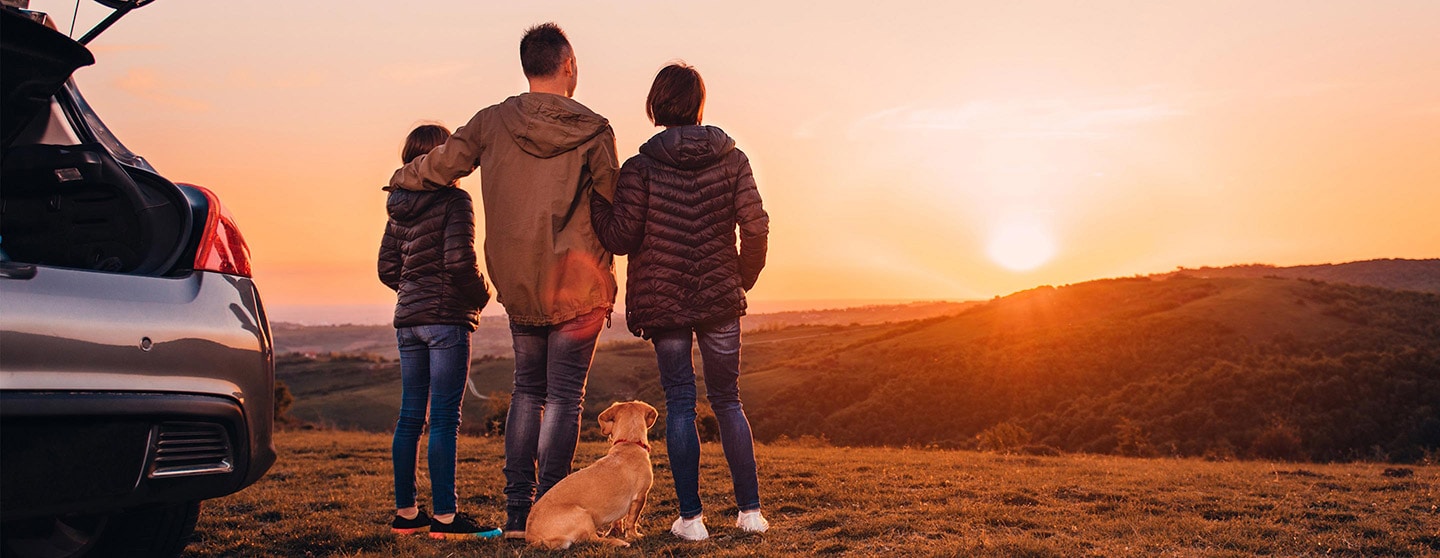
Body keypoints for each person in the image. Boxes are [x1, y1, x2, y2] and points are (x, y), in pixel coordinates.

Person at [387, 23, 619, 539]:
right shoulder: (594, 130)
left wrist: (400, 179)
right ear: (569, 65)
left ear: (526, 66)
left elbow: (440, 165)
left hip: (518, 284)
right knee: (564, 399)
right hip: (579, 288)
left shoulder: (490, 122)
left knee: (527, 392)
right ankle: (550, 509)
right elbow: (613, 211)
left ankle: (517, 516)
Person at [590, 62, 771, 541]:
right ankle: (750, 513)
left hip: (664, 301)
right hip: (720, 299)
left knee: (680, 404)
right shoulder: (733, 160)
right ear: (699, 104)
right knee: (728, 400)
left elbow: (621, 237)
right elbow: (755, 227)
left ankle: (691, 520)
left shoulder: (640, 168)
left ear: (656, 105)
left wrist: (596, 202)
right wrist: (739, 279)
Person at [378, 124, 500, 539]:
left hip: (408, 321)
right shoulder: (455, 200)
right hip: (446, 320)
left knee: (410, 417)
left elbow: (387, 268)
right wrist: (482, 295)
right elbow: (460, 261)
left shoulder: (397, 204)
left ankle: (406, 514)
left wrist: (414, 292)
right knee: (445, 418)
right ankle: (446, 519)